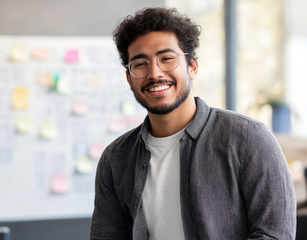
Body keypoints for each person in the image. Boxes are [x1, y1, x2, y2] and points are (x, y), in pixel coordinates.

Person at [90, 7, 296, 240]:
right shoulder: (115, 158)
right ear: (129, 78)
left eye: (166, 58)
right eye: (140, 64)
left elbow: (274, 235)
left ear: (192, 66)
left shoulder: (249, 139)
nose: (155, 73)